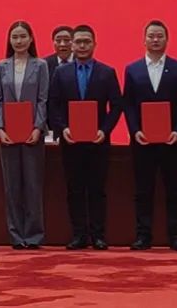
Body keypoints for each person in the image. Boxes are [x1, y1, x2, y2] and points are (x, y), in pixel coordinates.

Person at [47, 24, 122, 250]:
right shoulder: (61, 73)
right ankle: (79, 234)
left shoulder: (106, 72)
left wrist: (104, 130)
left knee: (97, 189)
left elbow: (116, 106)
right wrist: (63, 128)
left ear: (94, 44)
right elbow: (53, 104)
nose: (82, 46)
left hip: (98, 141)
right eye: (78, 42)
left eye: (86, 42)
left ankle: (98, 235)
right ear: (72, 45)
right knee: (75, 189)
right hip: (71, 141)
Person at [122, 19, 177, 251]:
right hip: (143, 142)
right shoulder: (133, 69)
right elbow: (128, 104)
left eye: (160, 36)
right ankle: (143, 235)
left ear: (167, 39)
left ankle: (176, 236)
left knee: (175, 190)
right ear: (144, 40)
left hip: (173, 141)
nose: (155, 39)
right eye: (151, 36)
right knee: (143, 191)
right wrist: (135, 131)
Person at [0, 20, 49, 250]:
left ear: (31, 39)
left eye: (23, 36)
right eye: (14, 37)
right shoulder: (1, 66)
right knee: (12, 187)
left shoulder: (41, 65)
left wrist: (38, 128)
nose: (19, 41)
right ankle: (16, 235)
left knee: (33, 186)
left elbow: (43, 99)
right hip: (8, 134)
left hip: (32, 134)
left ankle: (34, 235)